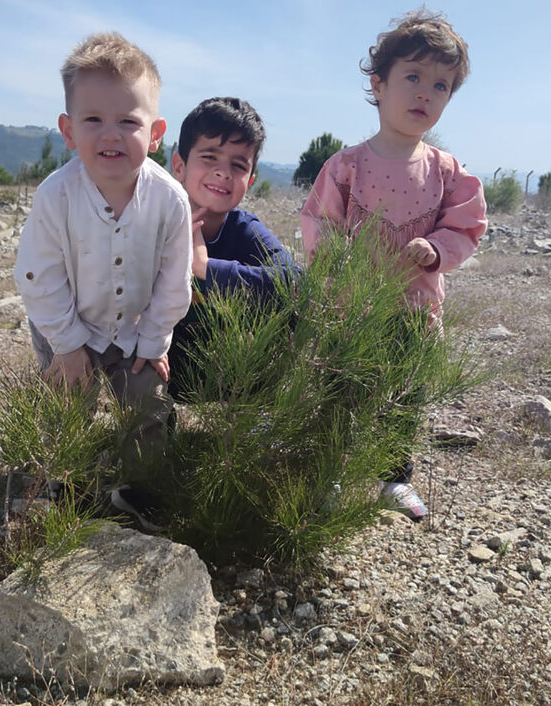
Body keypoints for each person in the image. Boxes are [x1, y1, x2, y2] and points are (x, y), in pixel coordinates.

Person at [300, 10, 487, 521]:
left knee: (404, 394)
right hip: (351, 307)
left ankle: (393, 477)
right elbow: (319, 221)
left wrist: (437, 248)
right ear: (378, 85)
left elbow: (468, 226)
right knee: (341, 389)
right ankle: (330, 475)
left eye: (441, 85)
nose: (426, 93)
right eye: (413, 77)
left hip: (414, 309)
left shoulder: (447, 171)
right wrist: (338, 261)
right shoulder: (346, 166)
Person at [14, 32, 193, 519]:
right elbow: (38, 276)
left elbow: (174, 282)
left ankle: (141, 489)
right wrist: (68, 345)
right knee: (68, 404)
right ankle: (66, 483)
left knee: (147, 405)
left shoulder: (170, 198)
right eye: (93, 120)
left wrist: (154, 340)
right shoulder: (57, 196)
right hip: (67, 324)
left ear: (155, 134)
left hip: (135, 327)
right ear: (68, 131)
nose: (110, 134)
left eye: (127, 121)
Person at [167, 96, 301, 401]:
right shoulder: (153, 222)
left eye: (238, 165)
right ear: (179, 165)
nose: (223, 172)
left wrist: (204, 267)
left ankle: (255, 418)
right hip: (157, 365)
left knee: (296, 312)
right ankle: (152, 422)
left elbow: (295, 283)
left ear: (250, 180)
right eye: (209, 157)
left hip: (226, 374)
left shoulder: (244, 229)